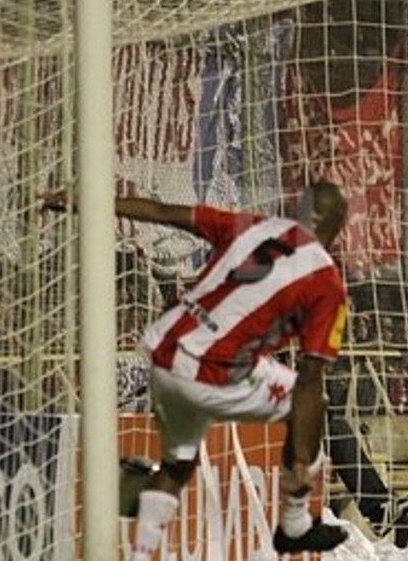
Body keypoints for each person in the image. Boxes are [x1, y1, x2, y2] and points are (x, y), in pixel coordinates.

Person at [45, 183, 353, 558]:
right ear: (338, 224)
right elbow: (309, 377)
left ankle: (140, 552)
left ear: (300, 209)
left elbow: (162, 212)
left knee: (177, 465)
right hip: (211, 372)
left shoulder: (252, 226)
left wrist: (84, 200)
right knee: (311, 403)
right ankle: (294, 523)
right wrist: (302, 461)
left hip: (163, 355)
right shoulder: (326, 283)